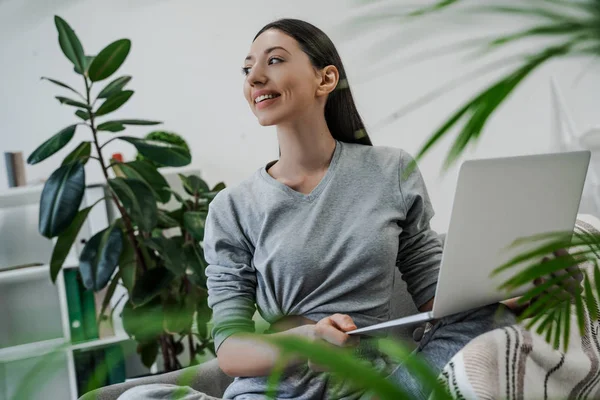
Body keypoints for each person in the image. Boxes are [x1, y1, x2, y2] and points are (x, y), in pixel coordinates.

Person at [119, 18, 582, 400]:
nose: (254, 77)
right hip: (276, 390)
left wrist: (513, 295)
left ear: (326, 78)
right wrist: (310, 341)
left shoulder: (390, 170)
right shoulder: (232, 207)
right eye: (247, 69)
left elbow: (438, 299)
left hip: (377, 386)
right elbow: (231, 350)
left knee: (492, 323)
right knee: (139, 397)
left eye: (274, 61)